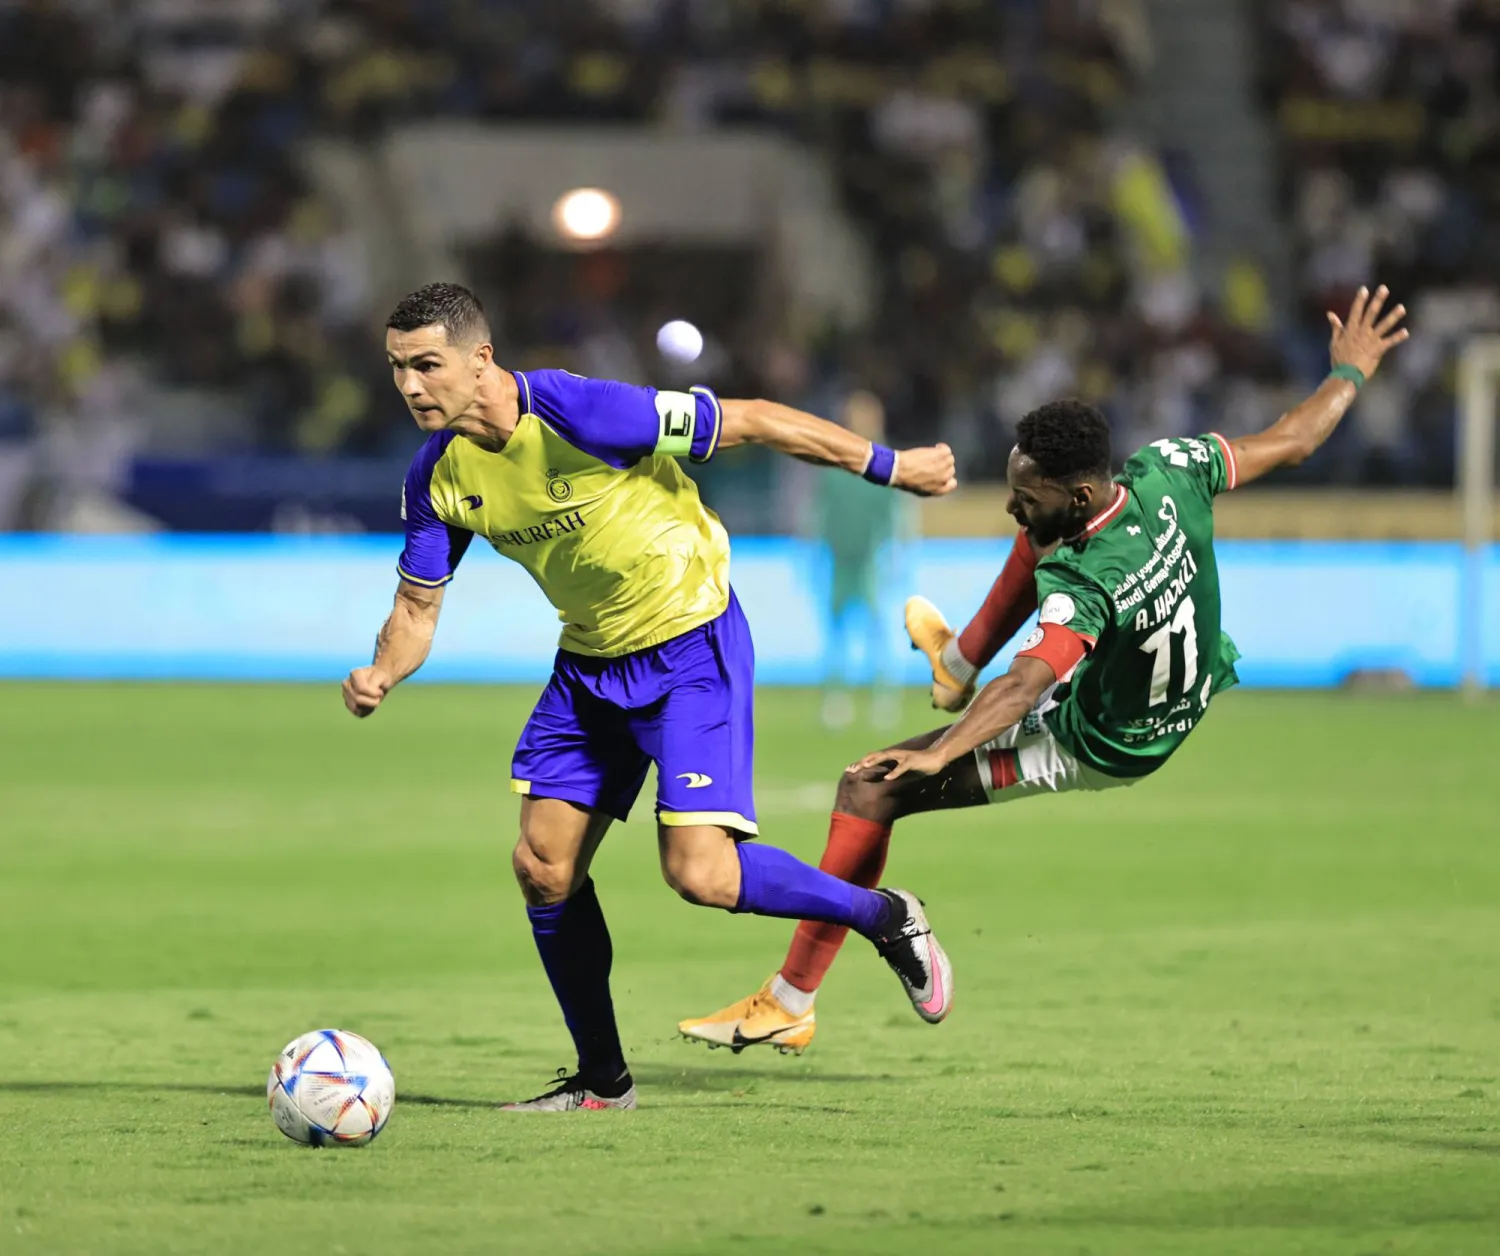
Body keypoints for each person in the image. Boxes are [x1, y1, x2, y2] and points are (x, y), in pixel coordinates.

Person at [679, 284, 1409, 1055]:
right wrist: (1350, 374)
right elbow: (1293, 440)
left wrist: (940, 748)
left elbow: (1030, 682)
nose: (1010, 505)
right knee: (1042, 542)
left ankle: (793, 998)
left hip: (1099, 739)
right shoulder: (1172, 469)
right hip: (1178, 695)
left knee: (870, 787)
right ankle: (956, 661)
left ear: (1083, 490)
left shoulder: (1086, 581)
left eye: (1026, 493)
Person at [340, 283, 959, 1110]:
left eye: (426, 365)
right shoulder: (439, 476)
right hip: (590, 666)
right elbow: (417, 607)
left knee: (700, 875)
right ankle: (603, 1083)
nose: (411, 386)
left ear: (480, 359)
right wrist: (384, 670)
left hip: (688, 647)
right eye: (397, 369)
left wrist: (892, 466)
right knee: (542, 868)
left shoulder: (581, 413)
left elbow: (755, 419)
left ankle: (883, 916)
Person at [815, 389, 910, 730]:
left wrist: (897, 553)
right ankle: (836, 698)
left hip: (870, 559)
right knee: (837, 632)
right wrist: (814, 551)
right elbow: (821, 512)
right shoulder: (837, 464)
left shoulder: (885, 463)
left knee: (875, 631)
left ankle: (884, 697)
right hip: (841, 560)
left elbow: (898, 513)